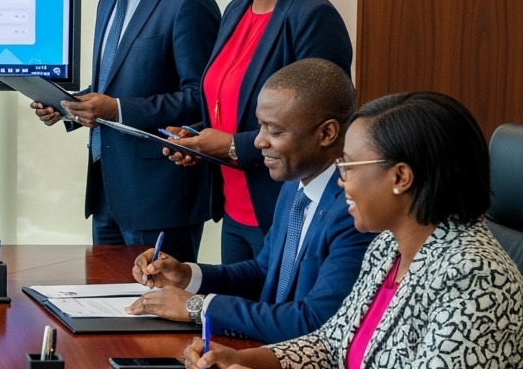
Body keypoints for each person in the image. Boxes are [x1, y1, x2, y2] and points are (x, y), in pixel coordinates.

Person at [183, 91, 523, 369]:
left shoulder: (476, 276)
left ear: (401, 177)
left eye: (348, 165)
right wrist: (253, 361)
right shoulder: (387, 248)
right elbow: (332, 345)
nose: (340, 178)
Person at [163, 0, 352, 262]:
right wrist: (199, 138)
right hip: (235, 207)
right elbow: (229, 104)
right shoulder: (234, 12)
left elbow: (322, 127)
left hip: (281, 205)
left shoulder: (312, 17)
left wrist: (232, 145)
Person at [125, 59, 376, 342]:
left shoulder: (354, 210)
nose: (258, 142)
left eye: (275, 131)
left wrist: (197, 307)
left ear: (327, 133)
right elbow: (262, 272)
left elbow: (314, 321)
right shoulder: (295, 184)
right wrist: (186, 276)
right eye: (260, 127)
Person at [34, 0, 220, 264]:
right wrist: (67, 107)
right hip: (106, 194)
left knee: (156, 313)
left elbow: (201, 98)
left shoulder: (188, 1)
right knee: (105, 311)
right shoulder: (109, 1)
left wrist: (115, 109)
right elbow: (111, 85)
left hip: (160, 196)